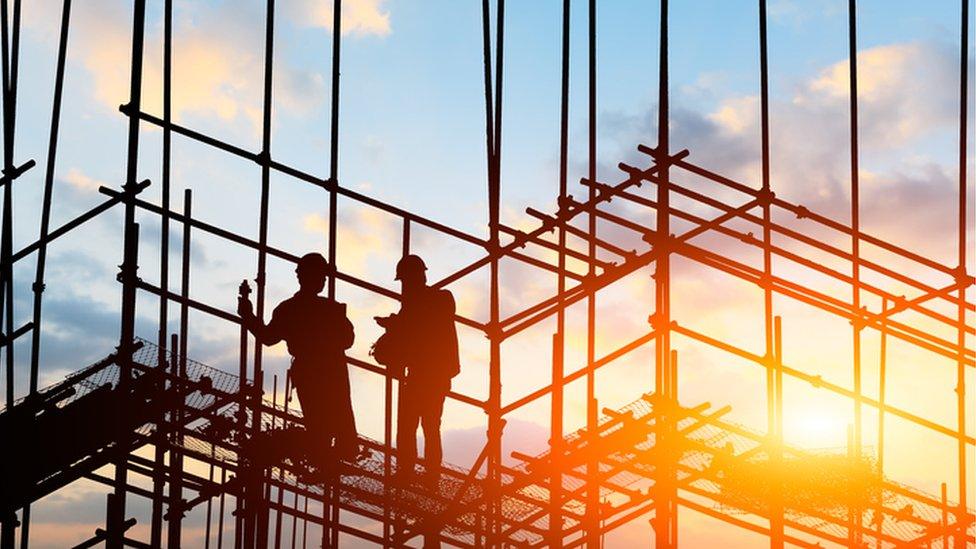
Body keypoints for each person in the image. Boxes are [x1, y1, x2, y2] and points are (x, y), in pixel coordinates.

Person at [237, 252, 359, 464]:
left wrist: (248, 316)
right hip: (331, 369)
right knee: (338, 417)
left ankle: (324, 458)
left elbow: (268, 337)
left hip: (311, 370)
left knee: (319, 420)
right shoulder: (330, 308)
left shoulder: (289, 309)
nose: (323, 281)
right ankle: (336, 457)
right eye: (321, 276)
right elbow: (348, 340)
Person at [375, 254, 460, 486]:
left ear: (417, 277)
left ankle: (428, 475)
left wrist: (395, 324)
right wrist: (394, 325)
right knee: (411, 426)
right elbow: (409, 330)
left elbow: (423, 325)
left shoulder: (440, 298)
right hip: (420, 375)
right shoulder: (415, 305)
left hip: (432, 375)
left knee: (428, 426)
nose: (404, 287)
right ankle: (410, 472)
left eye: (405, 281)